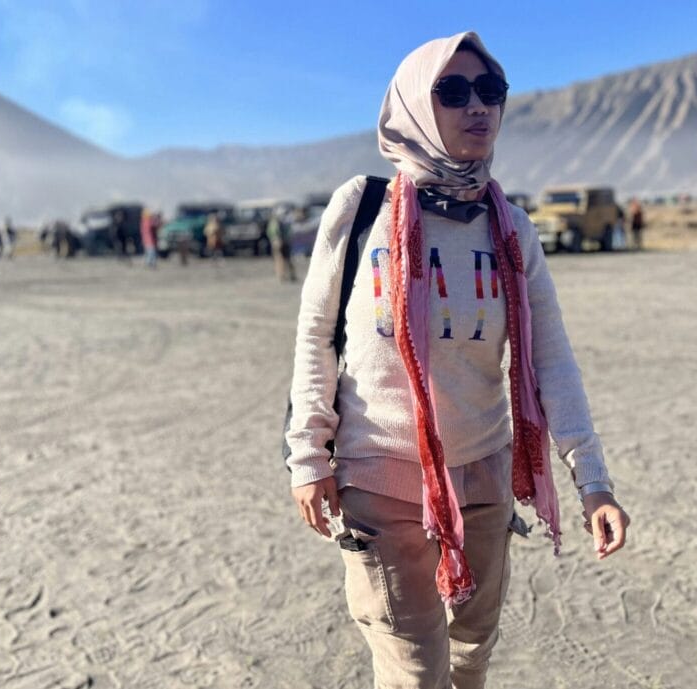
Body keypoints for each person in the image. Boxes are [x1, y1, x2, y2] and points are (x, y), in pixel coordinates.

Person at [285, 32, 630, 688]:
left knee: (471, 653)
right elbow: (314, 334)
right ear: (416, 104)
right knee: (416, 670)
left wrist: (594, 483)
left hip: (484, 476)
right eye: (453, 92)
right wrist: (307, 455)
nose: (478, 107)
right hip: (377, 480)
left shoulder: (510, 227)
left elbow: (551, 358)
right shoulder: (362, 209)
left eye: (490, 91)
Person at [267, 207, 297, 282]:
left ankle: (282, 276)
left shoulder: (274, 222)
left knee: (280, 259)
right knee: (286, 259)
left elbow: (272, 233)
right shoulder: (286, 221)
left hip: (279, 242)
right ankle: (288, 275)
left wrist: (275, 240)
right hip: (284, 242)